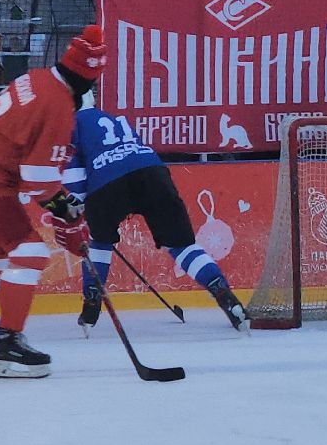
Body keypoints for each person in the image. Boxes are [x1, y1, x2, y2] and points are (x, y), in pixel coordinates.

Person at [0, 26, 107, 377]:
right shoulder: (58, 105)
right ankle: (9, 345)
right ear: (88, 77)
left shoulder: (38, 78)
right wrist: (71, 220)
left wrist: (67, 214)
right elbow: (39, 179)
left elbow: (36, 174)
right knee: (29, 252)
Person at [63, 104, 248, 330]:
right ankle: (220, 289)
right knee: (183, 246)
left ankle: (92, 301)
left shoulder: (72, 124)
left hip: (106, 181)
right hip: (153, 173)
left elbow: (74, 177)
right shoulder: (116, 118)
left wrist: (77, 208)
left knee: (99, 243)